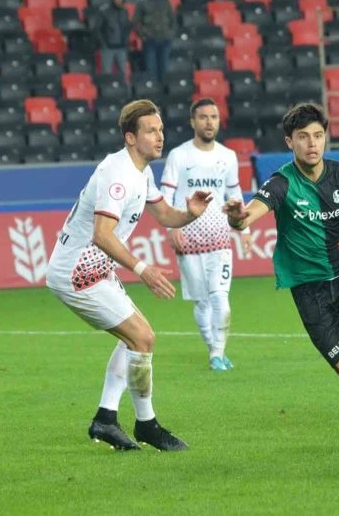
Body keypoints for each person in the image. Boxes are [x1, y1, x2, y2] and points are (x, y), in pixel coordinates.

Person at [223, 103, 339, 442]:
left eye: (318, 136)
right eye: (303, 137)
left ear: (326, 138)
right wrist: (236, 217)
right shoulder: (281, 183)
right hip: (310, 289)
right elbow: (248, 216)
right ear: (289, 141)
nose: (312, 143)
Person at [45, 99, 213, 451]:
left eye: (161, 130)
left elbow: (164, 215)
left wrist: (190, 213)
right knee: (142, 338)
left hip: (96, 268)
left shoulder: (141, 171)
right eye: (151, 131)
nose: (160, 137)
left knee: (136, 339)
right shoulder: (117, 175)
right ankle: (146, 424)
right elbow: (102, 235)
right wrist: (143, 269)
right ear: (130, 138)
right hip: (77, 272)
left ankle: (106, 419)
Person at [160, 97, 252, 370]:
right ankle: (214, 350)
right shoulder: (179, 155)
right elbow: (165, 194)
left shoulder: (228, 156)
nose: (209, 122)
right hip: (188, 240)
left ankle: (217, 353)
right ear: (193, 122)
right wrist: (171, 228)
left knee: (221, 299)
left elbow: (234, 194)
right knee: (202, 302)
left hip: (220, 239)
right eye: (203, 117)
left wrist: (244, 228)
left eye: (213, 116)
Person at [134, 0, 176, 83]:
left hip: (165, 40)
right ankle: (153, 91)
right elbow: (136, 22)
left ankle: (164, 90)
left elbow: (173, 19)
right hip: (149, 41)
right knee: (151, 70)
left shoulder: (165, 1)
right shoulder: (142, 1)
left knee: (164, 69)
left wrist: (170, 33)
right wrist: (143, 34)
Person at [96, 0, 132, 75]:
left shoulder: (124, 11)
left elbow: (127, 28)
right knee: (107, 73)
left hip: (122, 48)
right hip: (107, 48)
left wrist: (126, 41)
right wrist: (103, 44)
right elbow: (96, 29)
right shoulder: (103, 11)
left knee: (123, 73)